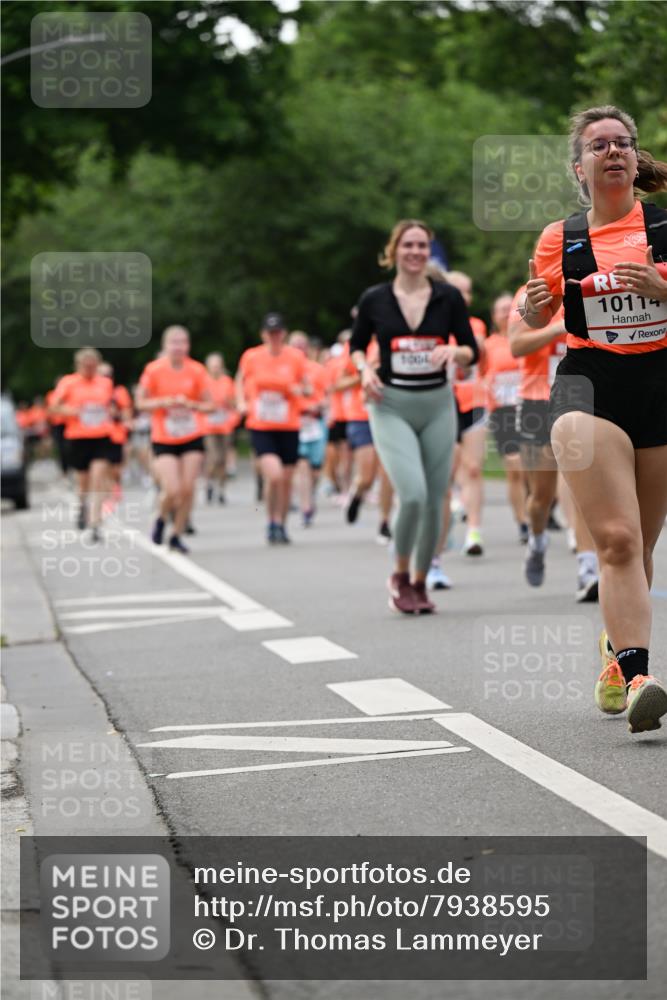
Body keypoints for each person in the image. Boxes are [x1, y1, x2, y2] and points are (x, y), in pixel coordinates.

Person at [524, 104, 667, 733]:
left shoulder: (665, 227)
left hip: (659, 385)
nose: (612, 152)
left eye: (622, 143)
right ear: (578, 168)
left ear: (635, 159)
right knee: (616, 540)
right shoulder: (561, 238)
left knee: (642, 549)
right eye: (598, 146)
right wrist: (532, 310)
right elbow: (523, 326)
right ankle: (640, 676)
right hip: (588, 384)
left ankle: (614, 653)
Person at [351, 219, 478, 614]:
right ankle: (400, 574)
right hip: (391, 405)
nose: (415, 252)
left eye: (422, 245)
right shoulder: (375, 299)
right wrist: (365, 369)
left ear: (429, 252)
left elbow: (472, 350)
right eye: (408, 245)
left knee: (436, 499)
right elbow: (356, 346)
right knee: (413, 493)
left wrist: (454, 354)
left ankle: (421, 581)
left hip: (438, 403)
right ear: (395, 251)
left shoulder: (447, 297)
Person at [509, 287, 599, 598]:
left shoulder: (590, 284)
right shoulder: (529, 294)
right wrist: (560, 326)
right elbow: (517, 345)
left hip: (578, 398)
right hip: (537, 403)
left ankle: (588, 568)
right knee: (540, 497)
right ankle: (537, 541)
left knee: (582, 485)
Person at [236, 313, 311, 544]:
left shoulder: (295, 357)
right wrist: (241, 402)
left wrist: (300, 390)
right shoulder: (252, 356)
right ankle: (270, 519)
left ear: (284, 333)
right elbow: (239, 380)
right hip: (261, 424)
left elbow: (307, 386)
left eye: (278, 332)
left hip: (288, 423)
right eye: (270, 333)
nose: (274, 337)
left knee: (286, 479)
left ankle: (280, 523)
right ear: (263, 335)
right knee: (274, 475)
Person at [136, 326, 212, 554]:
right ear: (165, 345)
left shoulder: (197, 370)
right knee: (173, 488)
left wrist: (192, 405)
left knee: (188, 489)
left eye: (183, 342)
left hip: (191, 434)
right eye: (174, 342)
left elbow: (210, 405)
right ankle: (161, 518)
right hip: (164, 436)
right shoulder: (154, 370)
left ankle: (176, 534)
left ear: (188, 345)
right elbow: (140, 402)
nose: (178, 347)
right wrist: (164, 403)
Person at [50, 347, 114, 540]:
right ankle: (82, 505)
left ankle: (95, 523)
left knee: (98, 478)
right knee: (83, 482)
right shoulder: (68, 382)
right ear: (78, 365)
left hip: (101, 436)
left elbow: (110, 406)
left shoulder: (105, 383)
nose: (90, 369)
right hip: (77, 438)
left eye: (93, 365)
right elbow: (54, 406)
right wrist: (73, 411)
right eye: (86, 366)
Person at [484, 293, 528, 543]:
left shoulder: (528, 336)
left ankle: (539, 511)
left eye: (508, 307)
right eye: (500, 309)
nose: (504, 312)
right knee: (515, 468)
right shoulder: (488, 346)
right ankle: (522, 522)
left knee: (536, 467)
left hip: (530, 407)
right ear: (493, 316)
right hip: (502, 411)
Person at [288, 331, 329, 526]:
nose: (299, 348)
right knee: (301, 465)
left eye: (302, 344)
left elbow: (327, 395)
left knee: (315, 471)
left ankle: (310, 496)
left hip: (315, 423)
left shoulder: (317, 370)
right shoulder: (285, 370)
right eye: (295, 344)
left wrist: (319, 405)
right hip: (295, 423)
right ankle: (305, 507)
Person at [203, 352, 238, 504]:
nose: (216, 369)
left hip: (225, 425)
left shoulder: (227, 381)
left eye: (218, 366)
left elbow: (233, 403)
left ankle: (221, 490)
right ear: (208, 367)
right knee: (214, 458)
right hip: (208, 426)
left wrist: (229, 404)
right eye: (213, 366)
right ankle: (209, 483)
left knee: (223, 460)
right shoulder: (203, 381)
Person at [98, 362, 133, 504]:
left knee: (116, 467)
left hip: (117, 433)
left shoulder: (119, 392)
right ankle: (109, 491)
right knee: (103, 464)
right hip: (100, 433)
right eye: (103, 375)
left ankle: (116, 485)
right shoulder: (94, 391)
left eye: (108, 375)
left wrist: (121, 417)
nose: (106, 378)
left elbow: (127, 412)